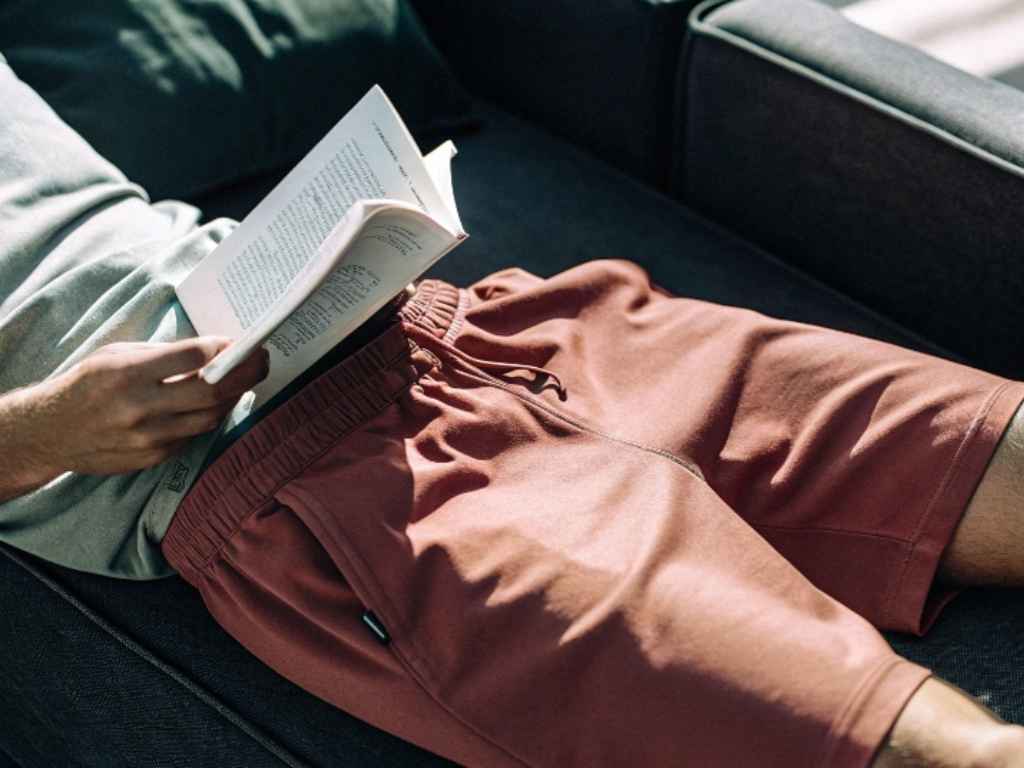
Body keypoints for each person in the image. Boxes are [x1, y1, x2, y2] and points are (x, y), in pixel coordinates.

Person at [1, 57, 1023, 768]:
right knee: (903, 746)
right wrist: (47, 425)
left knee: (987, 440)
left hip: (452, 323)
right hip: (292, 479)